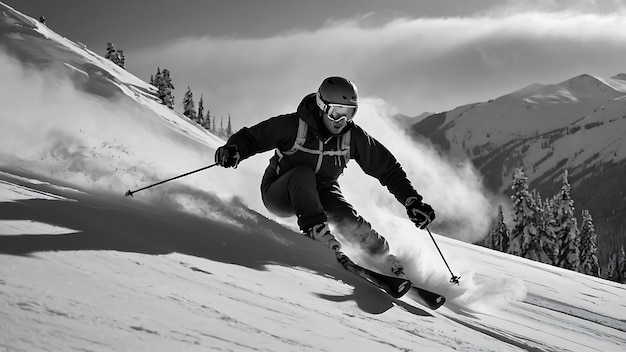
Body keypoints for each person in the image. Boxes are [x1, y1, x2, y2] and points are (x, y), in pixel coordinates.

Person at [215, 76, 435, 277]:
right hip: (280, 193)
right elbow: (253, 138)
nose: (341, 120)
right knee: (303, 173)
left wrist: (411, 200)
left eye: (349, 113)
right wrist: (234, 149)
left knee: (345, 215)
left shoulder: (352, 137)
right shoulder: (293, 126)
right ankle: (317, 232)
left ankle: (382, 256)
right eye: (336, 112)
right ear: (322, 107)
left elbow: (387, 168)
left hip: (322, 191)